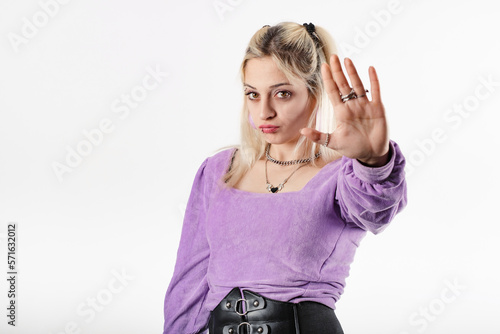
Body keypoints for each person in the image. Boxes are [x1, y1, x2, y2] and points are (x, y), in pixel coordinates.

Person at [163, 21, 407, 334]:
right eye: (253, 94)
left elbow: (376, 212)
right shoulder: (219, 170)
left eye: (282, 93)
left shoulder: (342, 176)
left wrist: (373, 160)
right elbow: (189, 285)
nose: (264, 111)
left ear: (315, 94)